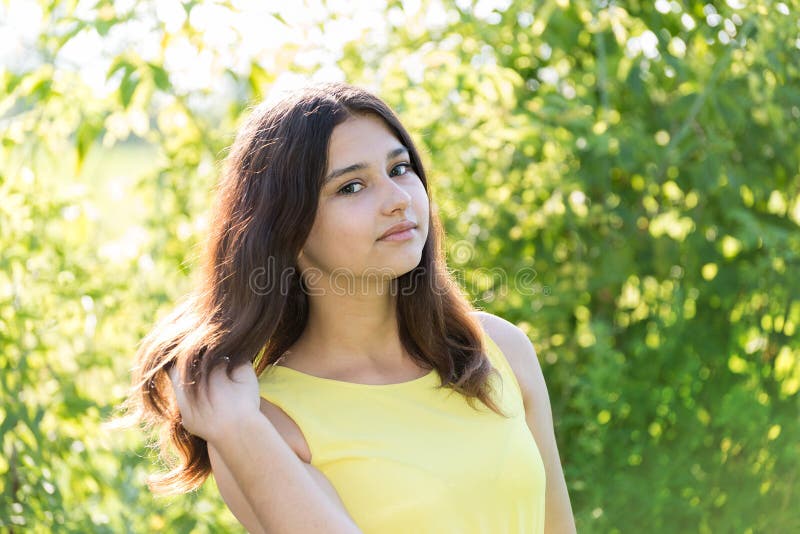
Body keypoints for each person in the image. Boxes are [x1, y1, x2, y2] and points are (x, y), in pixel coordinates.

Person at [118, 82, 576, 533]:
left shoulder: (498, 350)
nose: (398, 201)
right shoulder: (263, 422)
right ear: (287, 229)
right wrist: (237, 428)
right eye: (352, 187)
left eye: (399, 169)